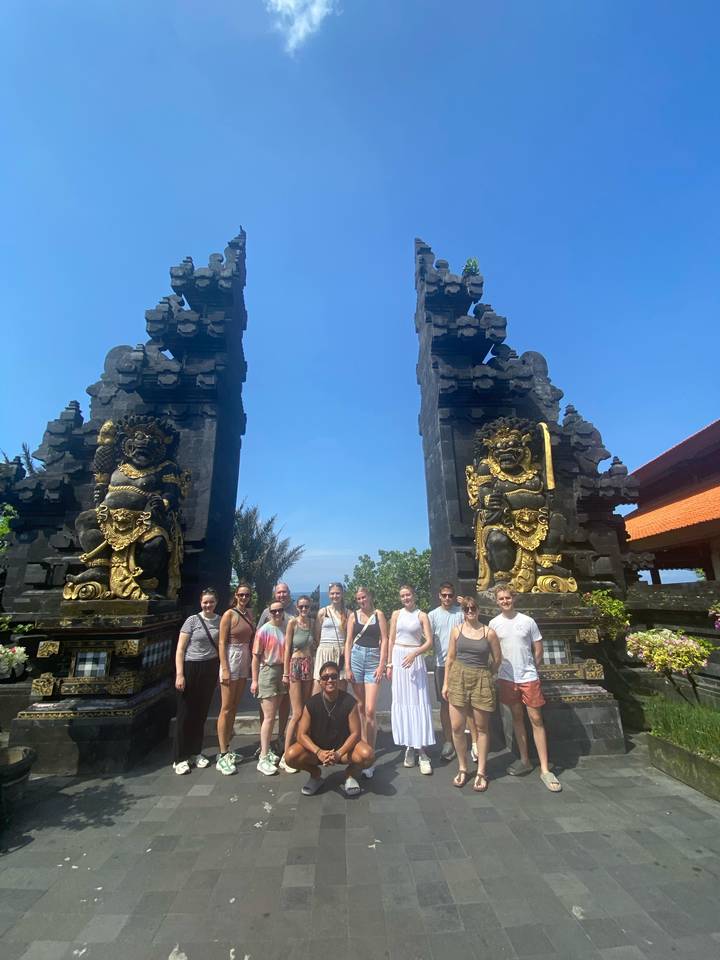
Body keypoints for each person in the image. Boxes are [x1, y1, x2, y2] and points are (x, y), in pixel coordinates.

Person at [488, 584, 562, 792]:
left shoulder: (527, 621)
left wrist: (532, 668)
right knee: (517, 718)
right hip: (507, 677)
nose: (505, 601)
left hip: (528, 676)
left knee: (536, 719)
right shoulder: (494, 624)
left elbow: (538, 648)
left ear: (514, 598)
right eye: (501, 599)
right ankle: (525, 759)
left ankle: (545, 769)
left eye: (507, 598)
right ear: (497, 601)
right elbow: (494, 652)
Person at [285, 660, 374, 797]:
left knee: (368, 755)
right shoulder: (311, 703)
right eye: (325, 678)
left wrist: (338, 753)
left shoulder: (349, 702)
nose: (330, 680)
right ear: (320, 682)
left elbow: (356, 733)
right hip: (318, 752)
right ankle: (315, 775)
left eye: (333, 676)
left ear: (338, 679)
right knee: (290, 756)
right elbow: (301, 734)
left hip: (343, 752)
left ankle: (350, 775)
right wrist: (318, 752)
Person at [442, 595, 502, 791]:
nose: (470, 612)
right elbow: (450, 659)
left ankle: (481, 771)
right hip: (458, 677)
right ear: (463, 611)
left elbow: (497, 659)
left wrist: (487, 675)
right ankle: (462, 767)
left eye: (473, 608)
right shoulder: (456, 631)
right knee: (457, 727)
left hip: (481, 678)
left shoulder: (489, 633)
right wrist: (445, 684)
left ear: (478, 610)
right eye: (466, 609)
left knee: (482, 727)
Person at [387, 585, 435, 774]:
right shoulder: (396, 614)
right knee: (403, 701)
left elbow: (429, 641)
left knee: (417, 702)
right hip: (399, 659)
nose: (406, 598)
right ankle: (409, 745)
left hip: (414, 659)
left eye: (408, 595)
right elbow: (391, 639)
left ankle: (421, 750)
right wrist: (390, 664)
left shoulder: (422, 615)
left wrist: (415, 653)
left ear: (414, 595)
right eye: (402, 596)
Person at [173, 588, 221, 775]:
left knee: (201, 713)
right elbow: (180, 649)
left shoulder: (219, 620)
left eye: (211, 602)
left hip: (209, 668)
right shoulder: (192, 621)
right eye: (205, 602)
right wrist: (179, 674)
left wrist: (218, 672)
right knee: (185, 713)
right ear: (200, 603)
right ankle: (179, 757)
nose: (208, 605)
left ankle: (195, 751)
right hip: (191, 667)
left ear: (216, 602)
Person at [344, 586, 388, 779]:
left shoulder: (379, 615)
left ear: (370, 596)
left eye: (364, 597)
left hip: (372, 661)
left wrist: (382, 665)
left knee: (370, 710)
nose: (362, 601)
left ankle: (369, 754)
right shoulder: (353, 616)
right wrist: (347, 666)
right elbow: (348, 641)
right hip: (356, 658)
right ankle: (362, 746)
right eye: (359, 598)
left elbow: (385, 640)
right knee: (360, 707)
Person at [215, 582, 255, 775]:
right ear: (236, 595)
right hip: (231, 657)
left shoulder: (250, 614)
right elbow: (221, 642)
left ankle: (228, 746)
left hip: (244, 656)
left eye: (247, 595)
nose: (244, 598)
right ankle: (222, 753)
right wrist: (224, 668)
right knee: (226, 707)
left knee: (235, 706)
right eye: (241, 595)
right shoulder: (229, 615)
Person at [255, 582, 297, 752]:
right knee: (266, 705)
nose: (282, 595)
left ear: (289, 593)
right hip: (270, 665)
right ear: (275, 594)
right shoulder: (267, 612)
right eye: (279, 592)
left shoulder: (296, 610)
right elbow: (258, 636)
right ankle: (264, 742)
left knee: (285, 701)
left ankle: (281, 736)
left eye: (284, 592)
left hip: (290, 664)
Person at [251, 599, 288, 776]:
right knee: (269, 717)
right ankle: (263, 756)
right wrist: (255, 680)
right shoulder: (263, 630)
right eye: (273, 611)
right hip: (268, 672)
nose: (277, 614)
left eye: (280, 610)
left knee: (278, 714)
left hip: (282, 672)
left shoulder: (286, 628)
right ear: (269, 612)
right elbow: (256, 657)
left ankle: (270, 750)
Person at [280, 595, 315, 772]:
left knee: (306, 709)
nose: (303, 609)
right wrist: (286, 672)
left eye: (306, 606)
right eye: (301, 606)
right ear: (296, 607)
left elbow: (314, 644)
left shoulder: (312, 622)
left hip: (308, 664)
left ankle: (300, 745)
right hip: (295, 665)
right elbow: (287, 648)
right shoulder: (293, 623)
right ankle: (286, 755)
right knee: (296, 712)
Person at [313, 583, 349, 693]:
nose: (335, 596)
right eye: (332, 593)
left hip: (340, 653)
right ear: (329, 595)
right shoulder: (323, 612)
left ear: (342, 594)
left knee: (340, 688)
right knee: (318, 688)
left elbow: (349, 637)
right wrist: (324, 647)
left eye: (337, 593)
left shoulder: (348, 613)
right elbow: (317, 634)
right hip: (324, 651)